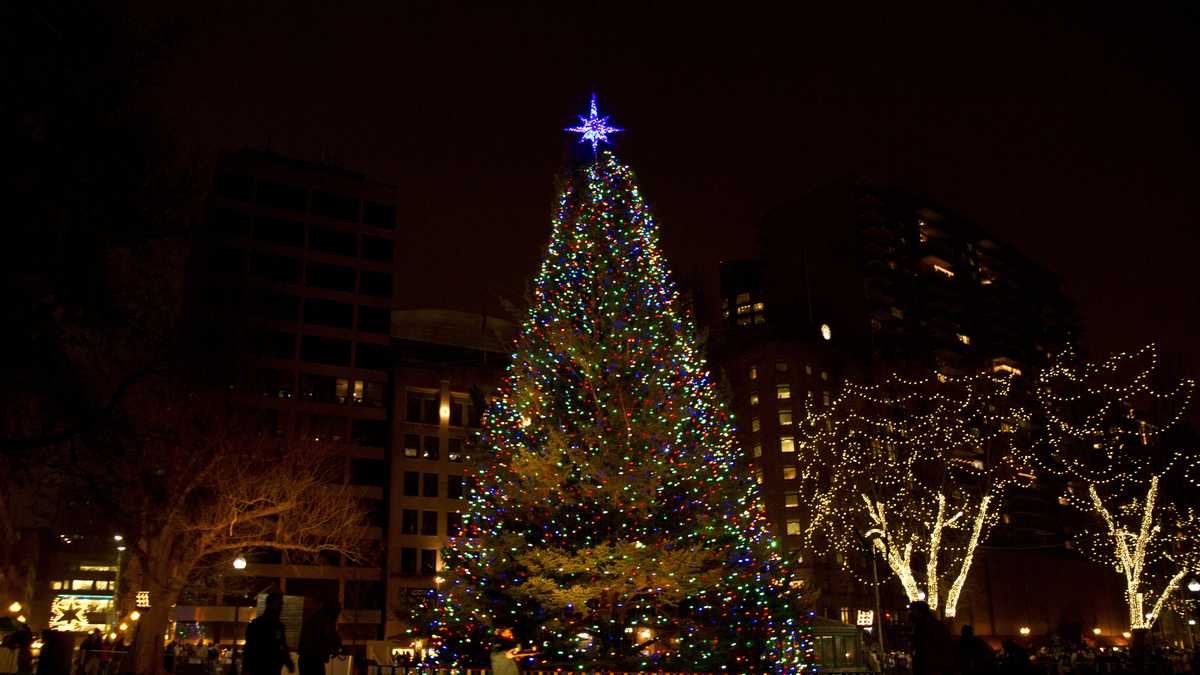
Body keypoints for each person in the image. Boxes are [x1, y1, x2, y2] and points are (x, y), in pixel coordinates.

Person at [243, 593, 294, 675]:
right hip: (266, 666)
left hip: (262, 666)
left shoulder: (257, 624)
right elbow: (281, 644)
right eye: (278, 604)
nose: (280, 607)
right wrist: (287, 660)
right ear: (270, 605)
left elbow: (249, 647)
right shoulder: (276, 626)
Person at [909, 601, 955, 675]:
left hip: (931, 667)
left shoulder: (925, 627)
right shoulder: (933, 625)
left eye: (913, 611)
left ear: (920, 612)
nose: (910, 614)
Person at [297, 602, 342, 675]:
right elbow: (329, 634)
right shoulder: (326, 619)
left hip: (307, 659)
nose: (337, 616)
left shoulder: (317, 617)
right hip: (313, 660)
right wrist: (337, 646)